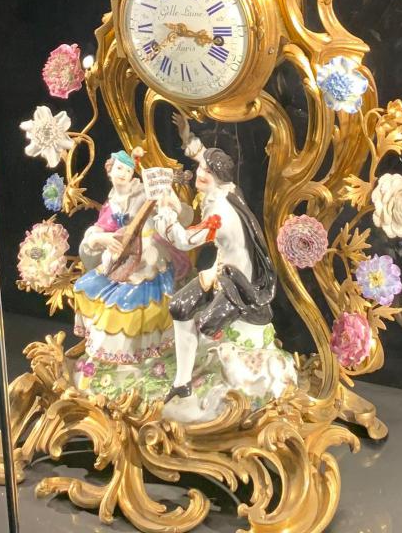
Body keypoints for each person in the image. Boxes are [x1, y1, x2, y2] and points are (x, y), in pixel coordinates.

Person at [155, 114, 277, 401]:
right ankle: (182, 382)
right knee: (179, 306)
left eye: (207, 172)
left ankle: (216, 367)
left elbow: (185, 241)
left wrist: (166, 214)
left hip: (237, 284)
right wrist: (187, 136)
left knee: (206, 326)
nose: (200, 173)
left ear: (218, 178)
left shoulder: (220, 213)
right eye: (202, 168)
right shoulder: (226, 189)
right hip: (220, 271)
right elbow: (202, 156)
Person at [73, 149, 193, 366]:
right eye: (119, 168)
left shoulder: (145, 193)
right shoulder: (112, 203)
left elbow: (180, 216)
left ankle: (136, 354)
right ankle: (103, 349)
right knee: (84, 286)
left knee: (125, 304)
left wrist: (171, 201)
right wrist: (100, 239)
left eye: (128, 171)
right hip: (125, 257)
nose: (123, 174)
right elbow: (100, 228)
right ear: (109, 170)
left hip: (151, 257)